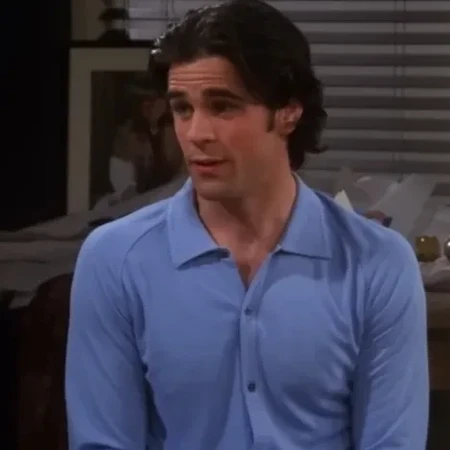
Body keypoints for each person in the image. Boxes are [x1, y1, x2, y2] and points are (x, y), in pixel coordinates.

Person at [65, 1, 429, 449]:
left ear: (288, 111)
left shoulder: (377, 264)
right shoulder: (115, 260)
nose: (197, 133)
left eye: (223, 107)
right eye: (182, 109)